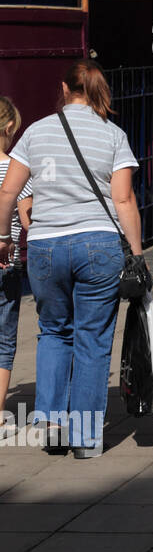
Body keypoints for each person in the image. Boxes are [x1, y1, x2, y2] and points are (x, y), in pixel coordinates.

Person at [0, 61, 144, 457]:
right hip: (98, 245)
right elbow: (123, 199)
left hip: (46, 246)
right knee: (93, 340)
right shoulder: (113, 135)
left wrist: (2, 239)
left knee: (53, 331)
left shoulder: (36, 131)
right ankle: (84, 438)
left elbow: (7, 194)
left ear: (64, 88)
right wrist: (136, 252)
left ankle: (50, 422)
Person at [0, 98, 33, 437]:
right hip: (6, 262)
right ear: (9, 129)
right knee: (4, 339)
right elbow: (27, 220)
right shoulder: (16, 170)